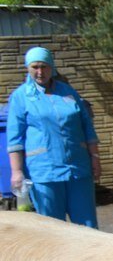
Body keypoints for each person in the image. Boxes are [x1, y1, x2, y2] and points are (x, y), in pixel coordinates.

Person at [6, 47, 100, 228]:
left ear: (52, 67)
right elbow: (15, 139)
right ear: (28, 68)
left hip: (78, 169)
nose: (40, 72)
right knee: (53, 228)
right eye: (35, 67)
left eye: (44, 66)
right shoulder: (20, 96)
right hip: (44, 172)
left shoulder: (67, 92)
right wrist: (17, 172)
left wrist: (95, 158)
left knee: (88, 226)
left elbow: (86, 126)